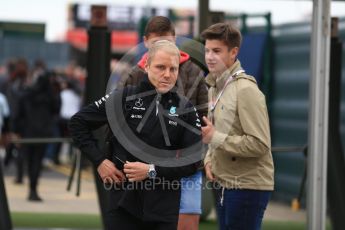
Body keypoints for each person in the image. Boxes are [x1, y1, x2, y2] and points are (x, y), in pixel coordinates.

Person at [69, 40, 202, 230]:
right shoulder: (124, 97)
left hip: (163, 211)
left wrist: (151, 170)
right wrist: (99, 161)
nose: (167, 74)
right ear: (146, 65)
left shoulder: (185, 108)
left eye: (173, 69)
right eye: (160, 67)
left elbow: (192, 160)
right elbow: (77, 123)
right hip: (123, 207)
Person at [119, 15, 208, 230]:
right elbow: (117, 120)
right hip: (142, 165)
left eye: (167, 42)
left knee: (187, 222)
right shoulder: (133, 75)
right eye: (156, 43)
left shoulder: (194, 71)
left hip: (185, 164)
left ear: (175, 40)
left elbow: (205, 117)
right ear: (145, 41)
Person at [201, 23, 274, 230]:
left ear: (234, 52)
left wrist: (214, 138)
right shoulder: (215, 87)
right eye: (207, 50)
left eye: (216, 51)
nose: (209, 56)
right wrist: (208, 160)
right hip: (224, 183)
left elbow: (260, 144)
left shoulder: (246, 90)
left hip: (247, 186)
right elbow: (212, 132)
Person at [13, 72, 61, 201]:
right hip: (42, 134)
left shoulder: (27, 95)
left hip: (28, 133)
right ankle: (33, 189)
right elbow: (56, 110)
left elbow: (18, 115)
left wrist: (17, 131)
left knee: (29, 160)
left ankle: (30, 187)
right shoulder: (50, 97)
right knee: (37, 161)